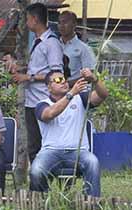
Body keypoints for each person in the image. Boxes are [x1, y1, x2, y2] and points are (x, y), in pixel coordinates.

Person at [29, 69, 108, 197]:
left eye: (65, 79)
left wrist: (95, 80)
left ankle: (91, 204)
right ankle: (41, 203)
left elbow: (103, 95)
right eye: (58, 80)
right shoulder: (42, 105)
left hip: (78, 152)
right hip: (50, 152)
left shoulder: (80, 99)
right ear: (49, 87)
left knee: (93, 163)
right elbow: (50, 114)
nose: (64, 82)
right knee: (36, 171)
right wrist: (71, 93)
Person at [12, 3, 64, 162]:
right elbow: (41, 67)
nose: (26, 23)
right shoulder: (38, 41)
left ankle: (43, 180)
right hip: (32, 101)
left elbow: (57, 74)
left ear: (35, 20)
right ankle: (37, 179)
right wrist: (23, 69)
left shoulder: (51, 43)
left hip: (44, 101)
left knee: (43, 144)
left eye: (27, 19)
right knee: (33, 144)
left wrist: (28, 77)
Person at [58, 11, 96, 86]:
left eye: (65, 22)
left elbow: (89, 75)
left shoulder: (83, 48)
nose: (62, 26)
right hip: (55, 91)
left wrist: (68, 84)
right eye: (59, 22)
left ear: (74, 24)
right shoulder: (54, 46)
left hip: (77, 92)